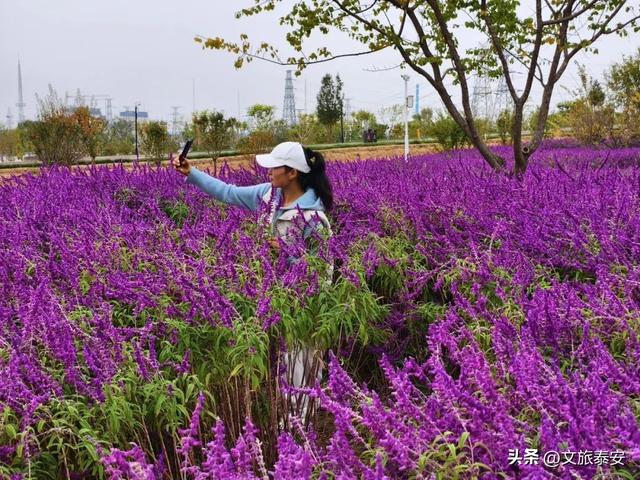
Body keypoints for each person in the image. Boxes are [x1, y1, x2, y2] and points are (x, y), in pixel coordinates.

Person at [173, 141, 333, 424]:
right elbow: (229, 193)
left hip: (303, 306)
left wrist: (288, 254)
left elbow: (322, 273)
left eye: (274, 166)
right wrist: (191, 172)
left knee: (300, 367)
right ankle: (288, 427)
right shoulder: (268, 197)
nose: (268, 171)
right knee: (281, 366)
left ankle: (300, 433)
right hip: (271, 299)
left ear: (292, 172)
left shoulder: (314, 218)